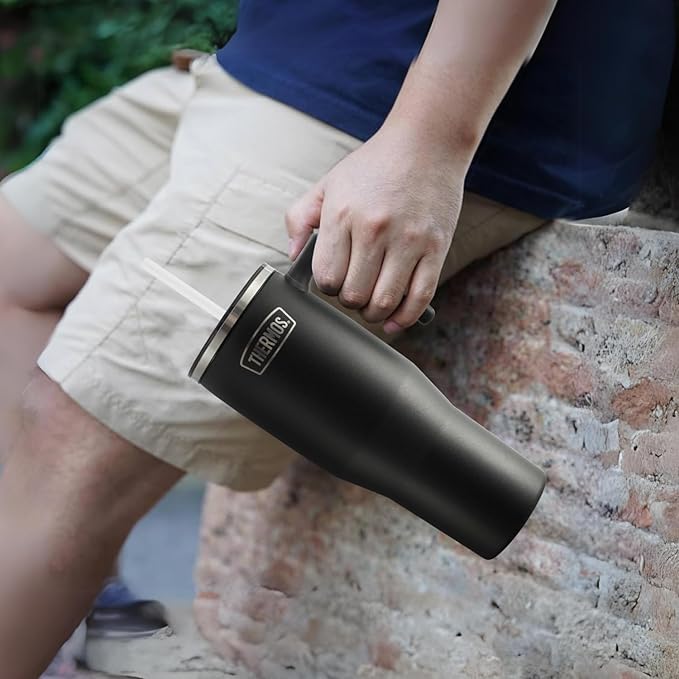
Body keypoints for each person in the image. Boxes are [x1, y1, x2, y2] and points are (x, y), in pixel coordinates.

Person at [0, 0, 674, 675]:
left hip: (383, 108)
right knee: (15, 270)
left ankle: (45, 583)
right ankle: (63, 598)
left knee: (71, 449)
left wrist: (428, 141)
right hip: (274, 60)